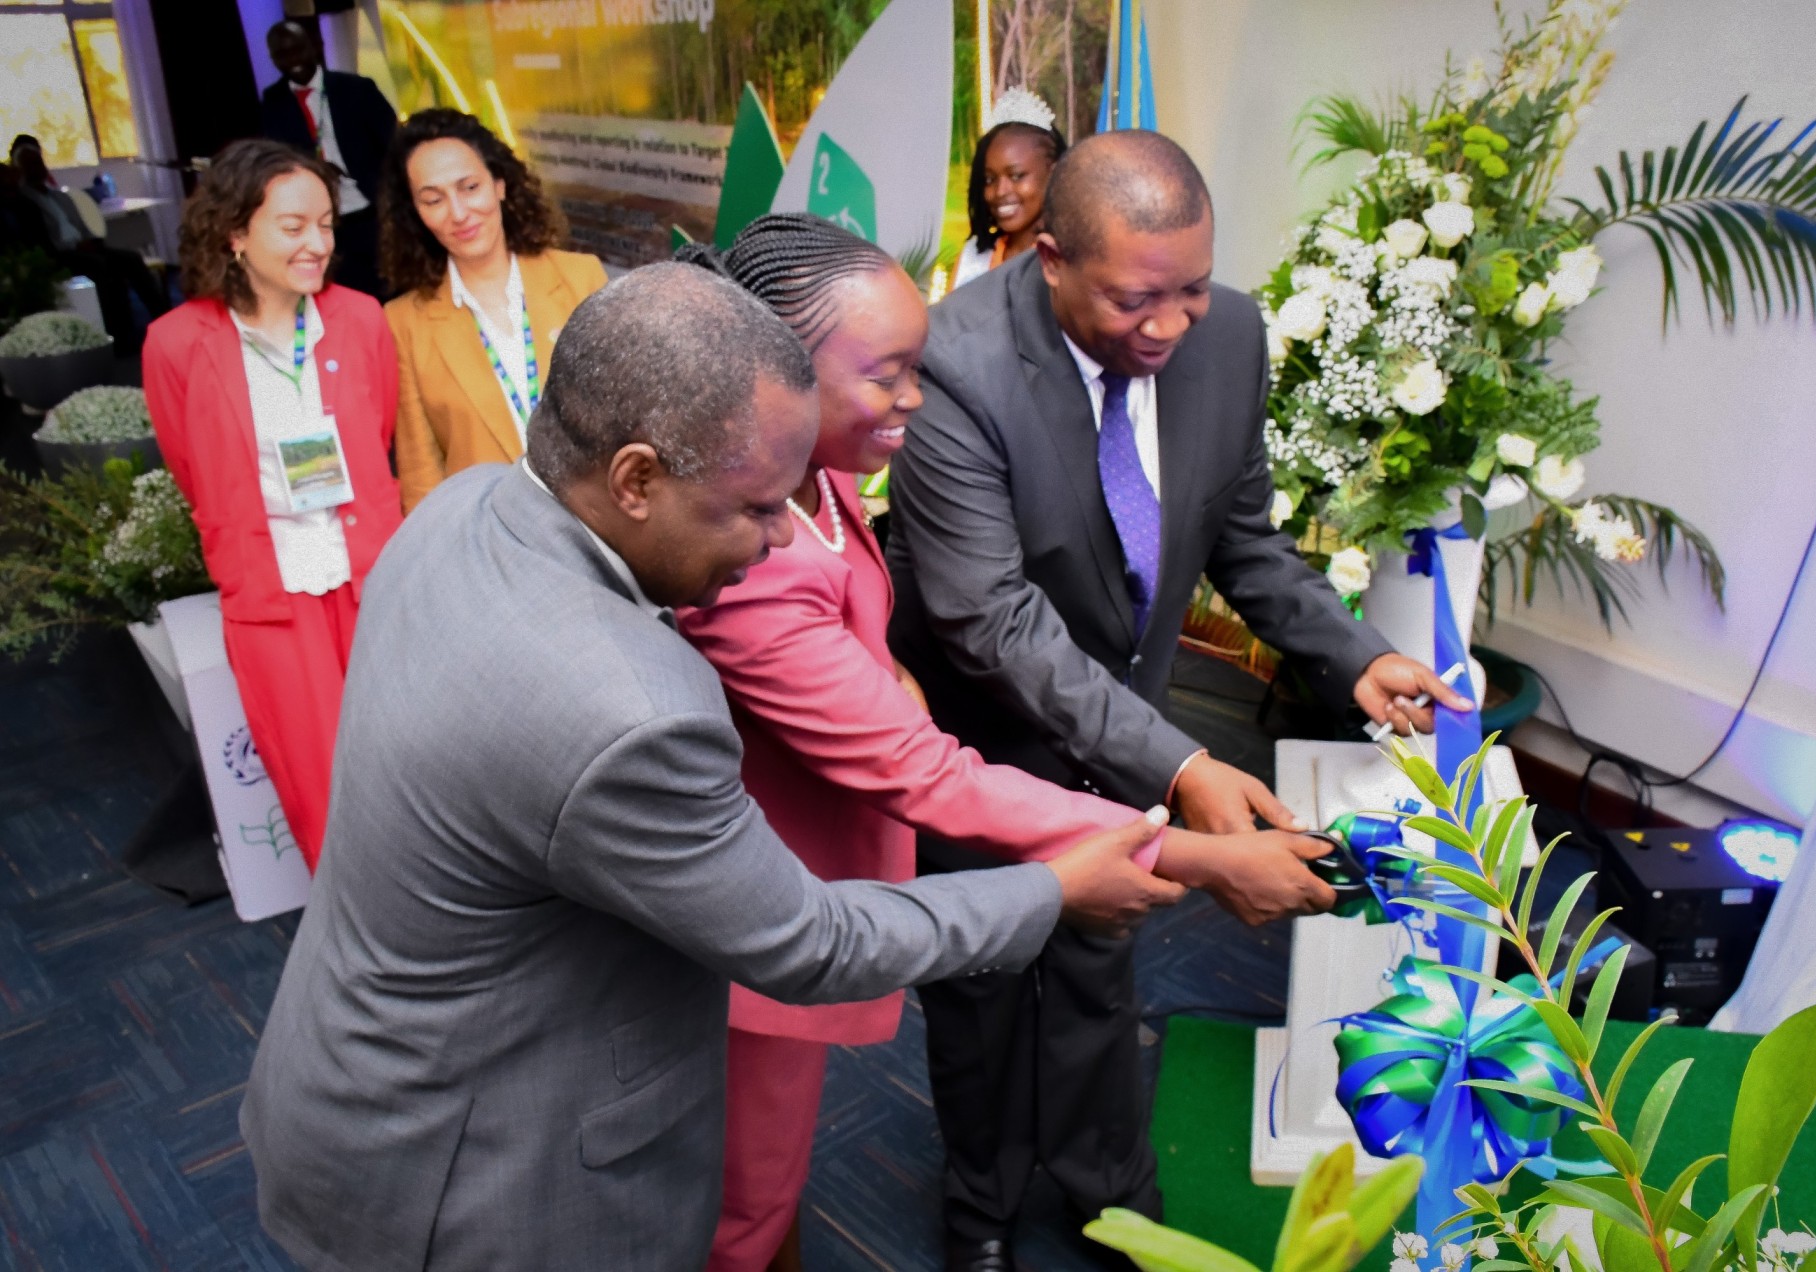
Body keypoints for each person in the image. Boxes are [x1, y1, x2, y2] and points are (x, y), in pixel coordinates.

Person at [238, 261, 1186, 1272]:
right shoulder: (628, 710)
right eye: (756, 509)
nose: (783, 537)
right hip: (478, 1180)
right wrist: (1051, 892)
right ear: (636, 478)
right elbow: (809, 942)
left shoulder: (464, 509)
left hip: (348, 1082)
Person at [673, 214, 1337, 1272]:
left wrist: (879, 671)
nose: (916, 401)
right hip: (774, 904)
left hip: (868, 838)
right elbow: (919, 762)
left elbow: (862, 623)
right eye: (888, 375)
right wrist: (1200, 859)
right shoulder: (744, 553)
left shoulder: (825, 474)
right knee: (741, 1207)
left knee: (773, 1182)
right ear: (777, 378)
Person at [886, 130, 1474, 1269]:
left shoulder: (1231, 334)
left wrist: (1348, 655)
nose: (1168, 325)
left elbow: (1241, 537)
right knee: (984, 993)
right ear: (1050, 258)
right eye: (1135, 300)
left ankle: (1111, 1195)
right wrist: (1188, 768)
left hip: (1129, 732)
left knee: (1105, 973)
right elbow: (991, 620)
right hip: (985, 741)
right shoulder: (954, 364)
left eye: (1191, 289)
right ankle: (984, 1208)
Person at [142, 139, 401, 871]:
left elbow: (376, 435)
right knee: (317, 786)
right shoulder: (174, 344)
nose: (318, 243)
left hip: (370, 581)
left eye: (325, 223)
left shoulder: (359, 320)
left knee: (407, 760)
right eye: (293, 227)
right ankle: (362, 950)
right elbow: (195, 473)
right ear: (235, 232)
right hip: (271, 594)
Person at [380, 108, 607, 512]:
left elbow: (626, 416)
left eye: (469, 187)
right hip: (489, 542)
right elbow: (421, 474)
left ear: (499, 184)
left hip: (597, 525)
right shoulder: (404, 322)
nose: (459, 213)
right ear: (415, 211)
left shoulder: (580, 279)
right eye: (433, 199)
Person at [257, 19, 396, 297]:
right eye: (282, 54)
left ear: (315, 47)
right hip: (319, 223)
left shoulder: (356, 89)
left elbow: (395, 148)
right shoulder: (272, 103)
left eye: (298, 49)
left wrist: (392, 203)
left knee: (390, 290)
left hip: (372, 212)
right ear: (273, 59)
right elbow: (272, 161)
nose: (292, 60)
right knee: (341, 297)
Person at [9, 135, 170, 354]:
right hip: (60, 255)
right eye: (30, 164)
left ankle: (164, 319)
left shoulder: (60, 197)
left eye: (38, 162)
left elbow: (82, 227)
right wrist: (75, 248)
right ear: (20, 169)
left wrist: (91, 241)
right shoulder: (23, 202)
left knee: (130, 258)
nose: (37, 168)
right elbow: (40, 242)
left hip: (84, 246)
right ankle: (119, 336)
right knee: (101, 268)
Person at [952, 90, 1066, 289]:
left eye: (1016, 176)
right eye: (989, 179)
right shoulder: (973, 259)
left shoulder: (1068, 256)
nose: (1000, 191)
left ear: (1052, 173)